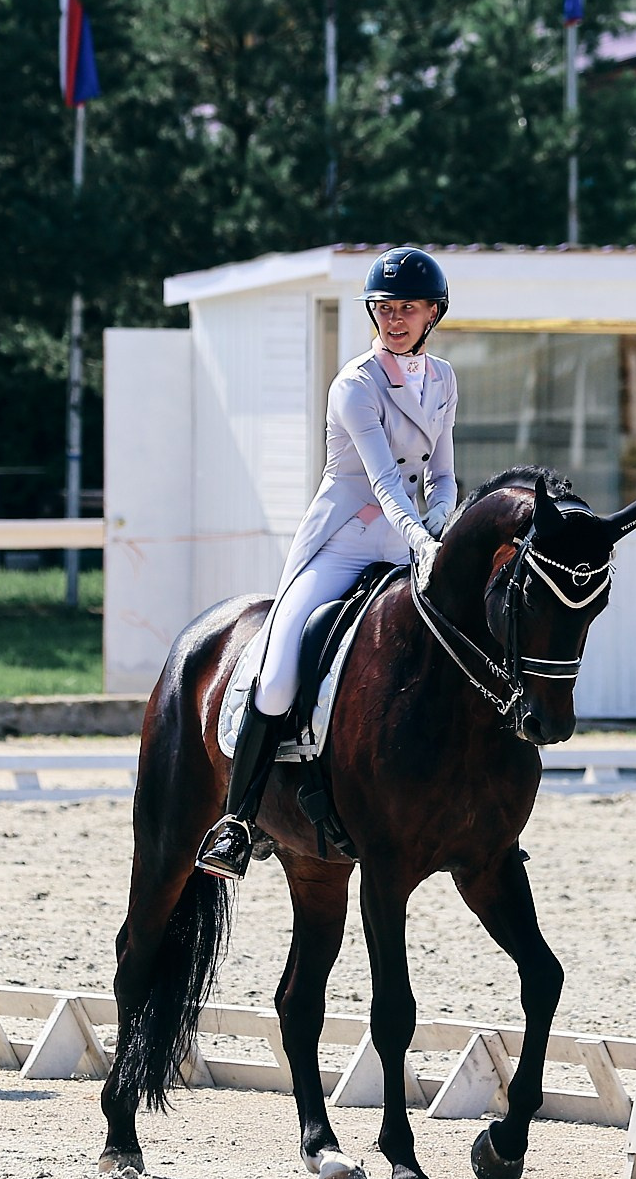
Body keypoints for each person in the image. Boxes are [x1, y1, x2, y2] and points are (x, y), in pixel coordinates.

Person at [193, 246, 459, 881]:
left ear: (432, 313)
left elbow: (443, 473)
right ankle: (240, 817)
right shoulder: (356, 384)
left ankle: (466, 804)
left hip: (409, 542)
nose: (393, 320)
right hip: (343, 541)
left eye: (406, 309)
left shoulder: (444, 379)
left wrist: (440, 525)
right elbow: (385, 481)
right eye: (383, 308)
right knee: (279, 669)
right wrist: (421, 540)